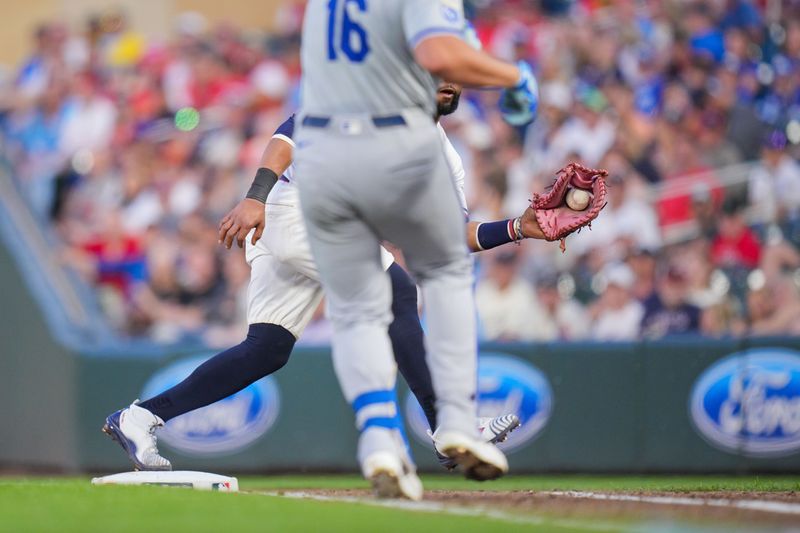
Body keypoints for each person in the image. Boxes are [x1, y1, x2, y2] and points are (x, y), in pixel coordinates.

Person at [102, 84, 545, 478]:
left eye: (454, 75)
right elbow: (290, 132)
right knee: (398, 293)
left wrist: (518, 228)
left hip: (313, 223)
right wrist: (255, 196)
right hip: (292, 206)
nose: (446, 81)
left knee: (266, 349)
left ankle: (140, 418)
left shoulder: (444, 159)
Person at [292, 0, 538, 499]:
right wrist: (516, 77)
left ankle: (378, 436)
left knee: (358, 308)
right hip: (393, 137)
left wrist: (514, 227)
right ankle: (455, 422)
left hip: (318, 154)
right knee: (445, 272)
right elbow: (441, 52)